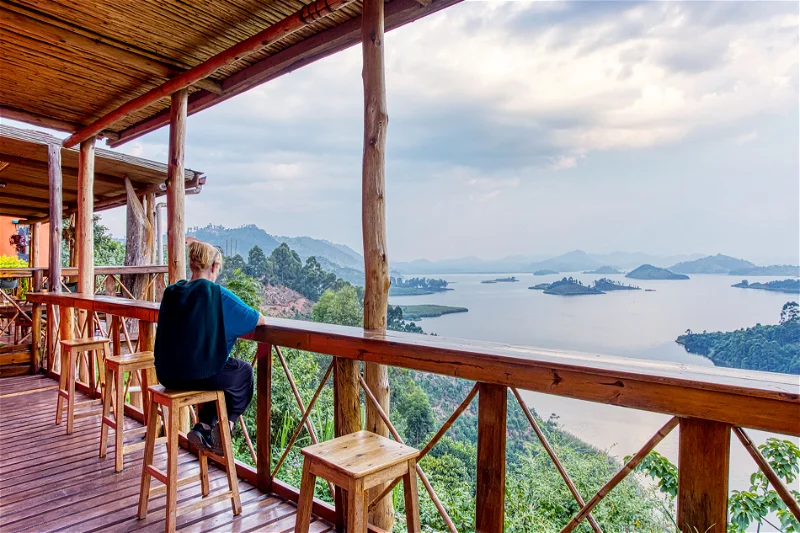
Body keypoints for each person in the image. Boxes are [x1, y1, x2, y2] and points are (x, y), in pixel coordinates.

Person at [154, 240, 267, 454]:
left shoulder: (171, 292)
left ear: (191, 265)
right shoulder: (215, 294)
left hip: (167, 375)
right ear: (214, 267)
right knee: (243, 373)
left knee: (219, 379)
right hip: (198, 374)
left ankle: (204, 426)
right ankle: (226, 429)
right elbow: (257, 319)